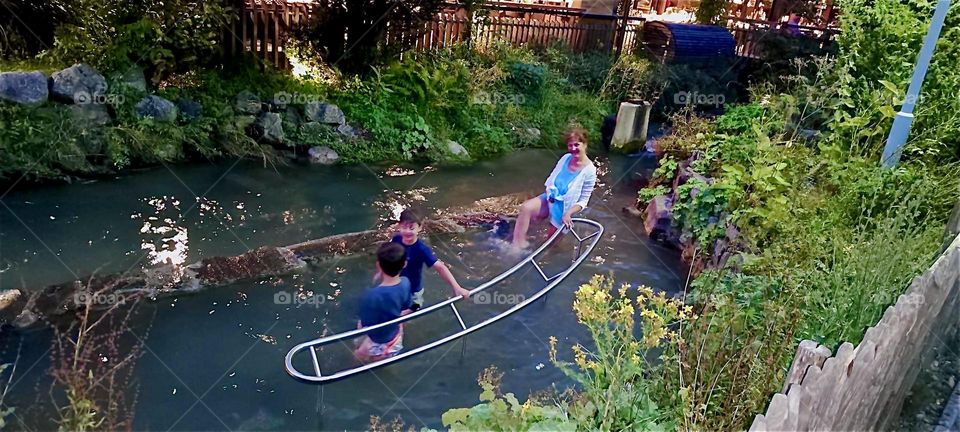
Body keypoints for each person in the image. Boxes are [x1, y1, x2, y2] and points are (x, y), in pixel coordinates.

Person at [511, 127, 597, 250]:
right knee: (526, 208)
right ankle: (517, 246)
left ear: (585, 144)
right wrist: (548, 198)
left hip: (565, 209)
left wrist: (568, 213)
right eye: (570, 145)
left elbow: (583, 201)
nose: (573, 149)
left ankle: (551, 253)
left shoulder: (590, 171)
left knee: (551, 245)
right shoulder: (565, 158)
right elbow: (552, 179)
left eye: (576, 145)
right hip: (550, 198)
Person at [374, 208, 470, 311]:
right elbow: (386, 256)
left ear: (419, 228)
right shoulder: (396, 239)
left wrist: (457, 287)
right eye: (404, 227)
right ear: (399, 226)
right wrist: (380, 271)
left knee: (409, 311)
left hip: (413, 291)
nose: (407, 231)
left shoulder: (421, 249)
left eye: (411, 228)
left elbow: (440, 267)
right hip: (396, 286)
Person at [355, 242, 412, 363]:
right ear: (405, 264)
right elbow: (406, 307)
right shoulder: (406, 282)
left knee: (357, 355)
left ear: (378, 265)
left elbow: (364, 325)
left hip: (378, 342)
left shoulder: (371, 295)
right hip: (396, 336)